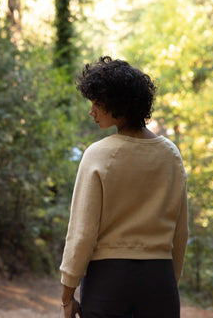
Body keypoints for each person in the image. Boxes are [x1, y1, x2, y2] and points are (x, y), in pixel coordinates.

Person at [60, 56, 188, 318]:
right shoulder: (171, 154)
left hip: (108, 282)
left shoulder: (98, 155)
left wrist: (67, 294)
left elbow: (82, 232)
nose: (91, 111)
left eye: (97, 103)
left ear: (118, 105)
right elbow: (181, 230)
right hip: (159, 279)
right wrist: (167, 284)